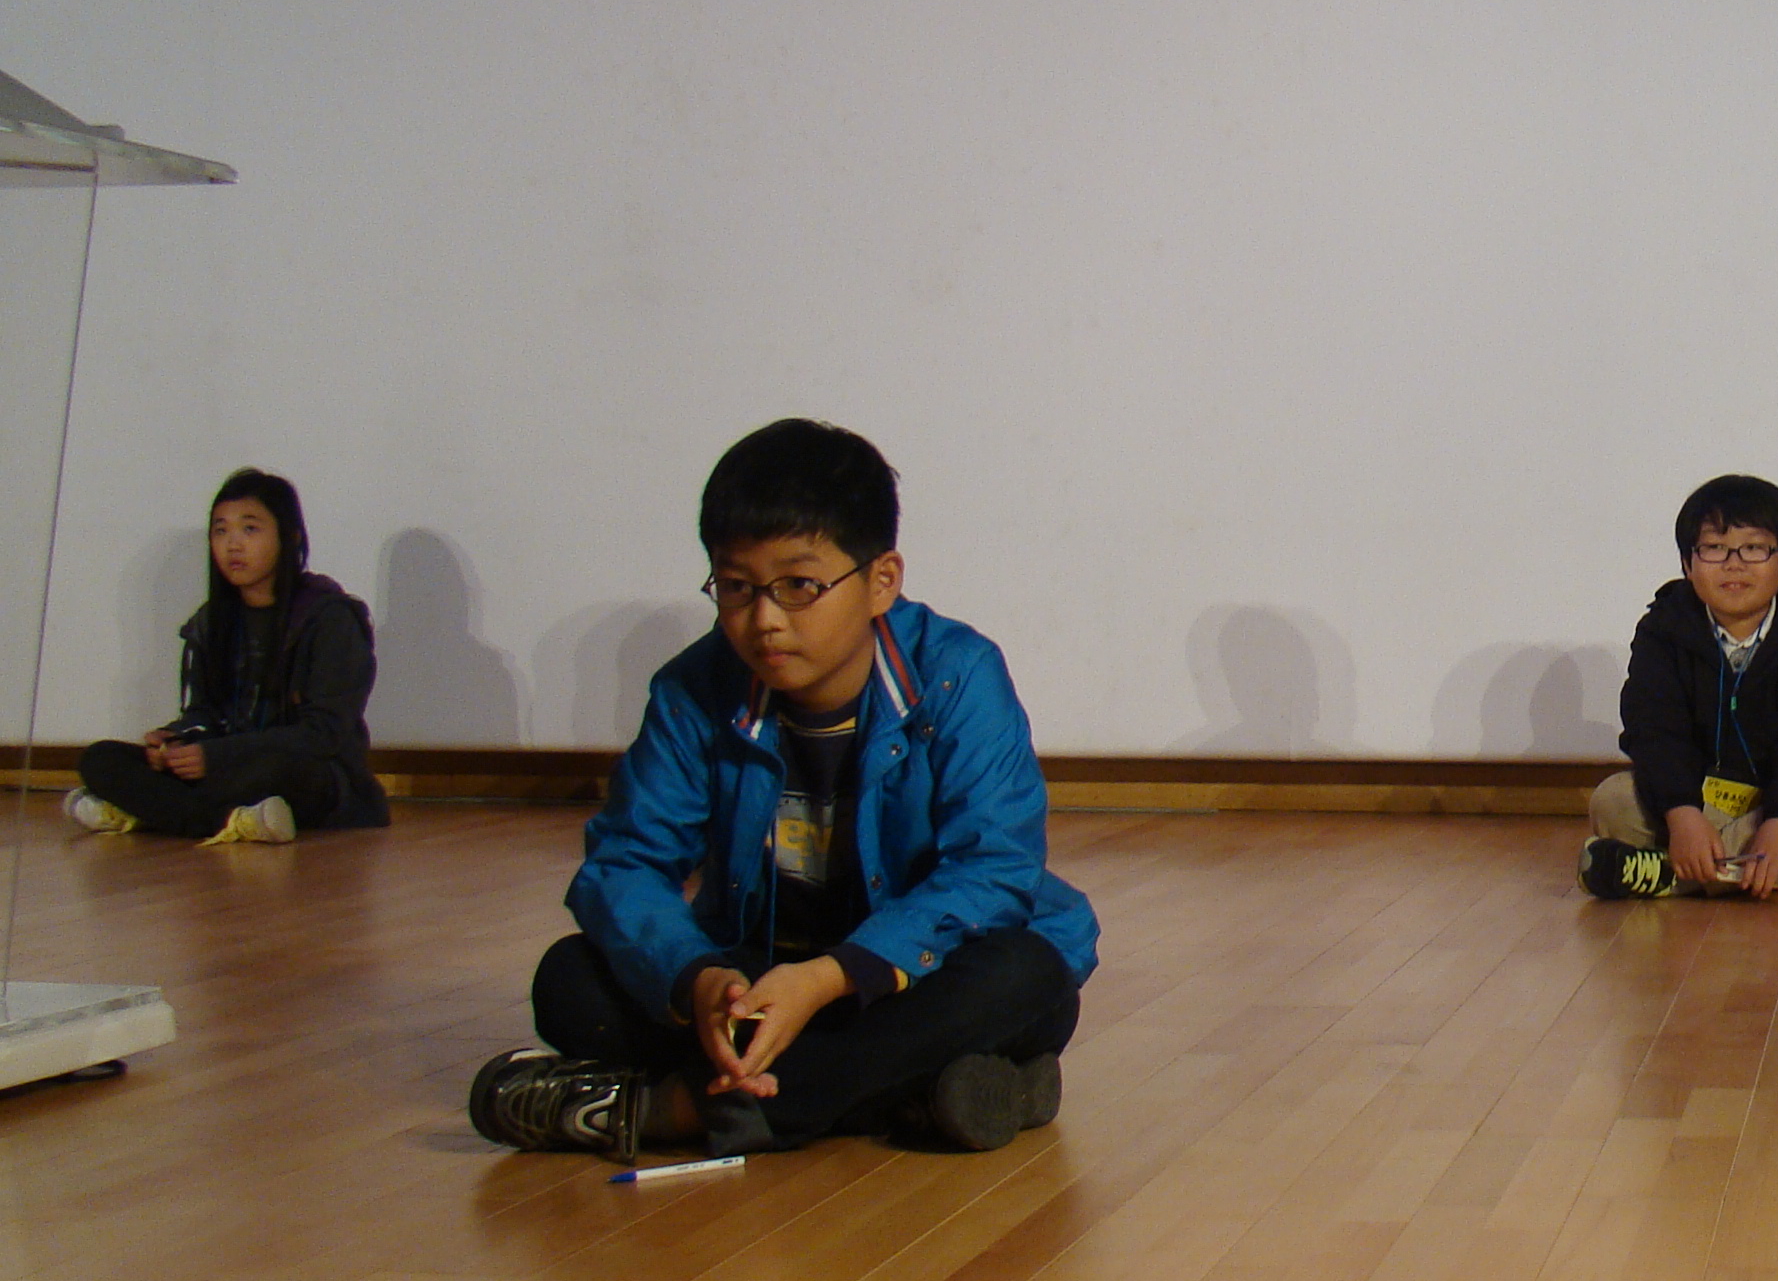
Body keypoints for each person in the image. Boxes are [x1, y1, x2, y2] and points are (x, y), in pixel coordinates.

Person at [468, 419, 1097, 1164]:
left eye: (799, 586)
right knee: (569, 982)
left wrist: (831, 978)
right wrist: (698, 982)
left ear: (882, 581)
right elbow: (622, 866)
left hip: (907, 976)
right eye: (737, 587)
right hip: (763, 978)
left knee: (1028, 977)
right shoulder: (693, 690)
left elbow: (994, 869)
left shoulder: (958, 675)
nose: (764, 620)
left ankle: (673, 1111)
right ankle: (913, 1091)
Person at [1580, 474, 1778, 900]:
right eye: (1714, 548)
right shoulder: (1663, 629)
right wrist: (1682, 817)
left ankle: (1669, 874)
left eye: (1754, 548)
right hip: (1700, 800)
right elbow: (1653, 728)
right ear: (1688, 564)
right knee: (1612, 801)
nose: (1734, 564)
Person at [65, 467, 388, 844]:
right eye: (221, 531)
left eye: (250, 529)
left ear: (290, 537)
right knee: (100, 758)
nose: (233, 544)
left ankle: (148, 811)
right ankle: (235, 819)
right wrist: (177, 741)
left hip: (308, 774)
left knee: (282, 772)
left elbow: (323, 734)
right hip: (225, 766)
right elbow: (206, 714)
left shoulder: (329, 617)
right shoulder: (211, 621)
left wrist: (219, 756)